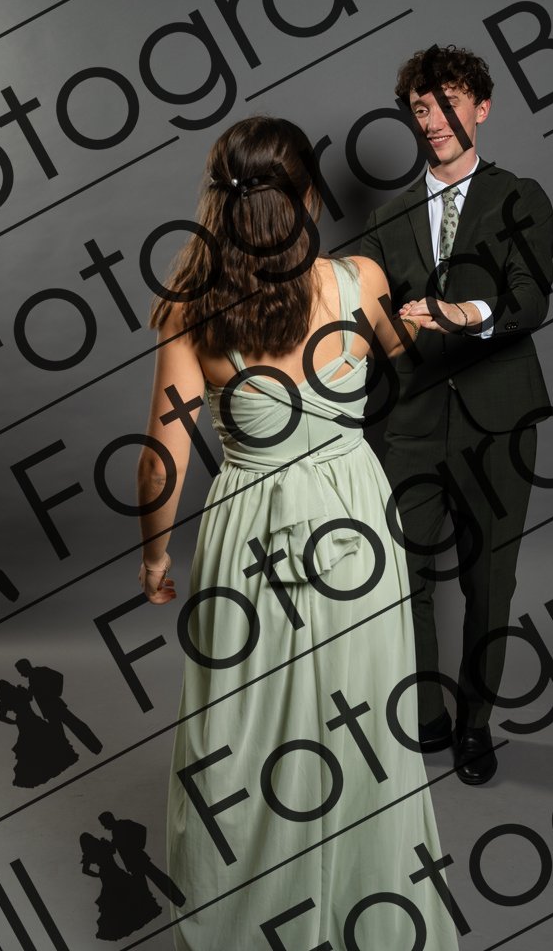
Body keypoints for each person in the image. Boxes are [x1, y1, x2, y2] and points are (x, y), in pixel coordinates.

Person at [137, 116, 460, 950]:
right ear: (310, 195)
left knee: (239, 733)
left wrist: (154, 555)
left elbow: (162, 461)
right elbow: (411, 360)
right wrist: (431, 316)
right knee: (362, 721)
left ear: (218, 203)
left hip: (251, 531)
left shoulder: (189, 308)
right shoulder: (360, 279)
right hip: (355, 520)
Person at [361, 45, 553, 785]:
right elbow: (362, 321)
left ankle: (475, 725)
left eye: (449, 102)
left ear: (481, 107)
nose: (435, 119)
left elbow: (528, 299)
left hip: (498, 420)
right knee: (401, 577)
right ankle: (427, 716)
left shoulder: (521, 197)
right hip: (409, 423)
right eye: (422, 107)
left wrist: (458, 313)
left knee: (489, 580)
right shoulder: (386, 219)